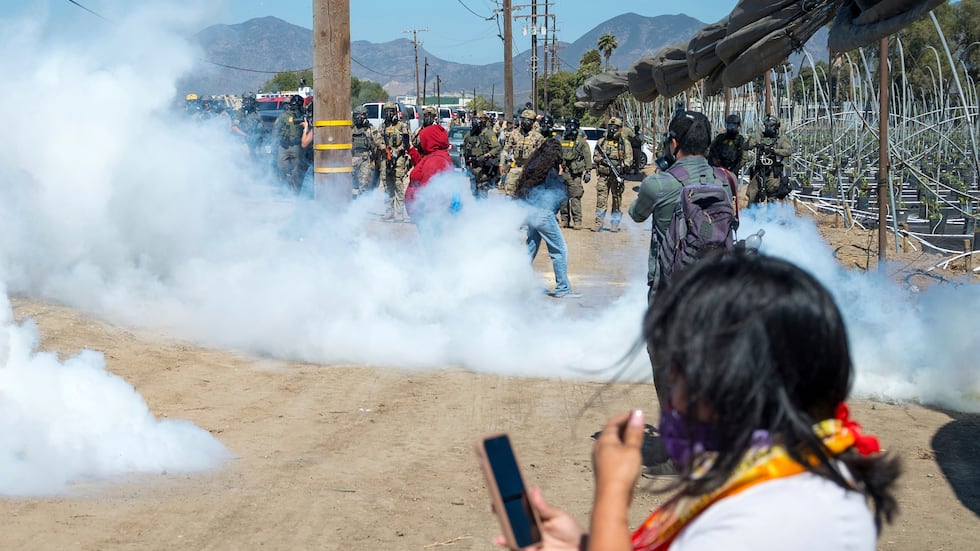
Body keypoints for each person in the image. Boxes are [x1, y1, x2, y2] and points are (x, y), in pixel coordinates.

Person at [492, 251, 901, 551]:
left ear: (736, 381)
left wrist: (612, 496)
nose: (672, 386)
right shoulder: (785, 476)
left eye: (682, 367)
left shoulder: (782, 514)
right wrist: (584, 544)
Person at [514, 138, 576, 299]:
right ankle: (563, 288)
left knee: (530, 247)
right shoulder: (551, 172)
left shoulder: (533, 166)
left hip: (530, 212)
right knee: (559, 250)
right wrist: (561, 177)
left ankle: (514, 282)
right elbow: (557, 195)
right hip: (543, 214)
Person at [405, 123, 455, 229]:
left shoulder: (436, 160)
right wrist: (411, 150)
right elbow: (421, 165)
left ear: (430, 140)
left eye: (423, 139)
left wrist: (423, 210)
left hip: (429, 214)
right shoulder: (434, 156)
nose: (421, 142)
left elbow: (428, 189)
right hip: (427, 213)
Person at [592, 117, 633, 232]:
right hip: (603, 176)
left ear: (620, 129)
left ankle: (614, 224)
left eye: (615, 128)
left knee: (617, 200)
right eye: (610, 127)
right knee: (601, 200)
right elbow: (595, 156)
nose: (612, 130)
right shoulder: (601, 142)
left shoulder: (624, 143)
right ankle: (598, 223)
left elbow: (629, 159)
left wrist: (623, 166)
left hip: (617, 176)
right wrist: (598, 159)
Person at [374, 102, 412, 221]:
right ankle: (389, 210)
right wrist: (384, 148)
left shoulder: (402, 126)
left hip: (399, 159)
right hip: (386, 158)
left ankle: (399, 212)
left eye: (391, 111)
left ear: (395, 112)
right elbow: (378, 139)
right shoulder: (383, 126)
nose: (389, 114)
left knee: (398, 184)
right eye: (386, 112)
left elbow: (406, 143)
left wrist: (397, 151)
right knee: (387, 185)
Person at [745, 114, 792, 203]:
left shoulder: (781, 139)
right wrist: (755, 140)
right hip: (759, 171)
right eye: (767, 125)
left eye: (771, 125)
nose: (769, 128)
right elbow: (747, 146)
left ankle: (771, 215)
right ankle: (751, 215)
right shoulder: (760, 137)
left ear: (776, 126)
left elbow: (788, 151)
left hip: (773, 172)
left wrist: (773, 151)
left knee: (772, 195)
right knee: (752, 193)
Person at [500, 109, 545, 198]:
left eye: (529, 120)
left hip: (530, 169)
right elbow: (506, 150)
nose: (526, 122)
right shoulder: (514, 134)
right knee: (509, 191)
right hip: (516, 167)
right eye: (524, 119)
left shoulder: (538, 137)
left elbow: (541, 156)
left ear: (533, 122)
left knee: (528, 195)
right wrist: (501, 164)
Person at [558, 117, 593, 230]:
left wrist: (588, 171)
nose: (571, 128)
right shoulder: (561, 141)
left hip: (575, 174)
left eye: (573, 125)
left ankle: (577, 221)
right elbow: (556, 156)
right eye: (569, 125)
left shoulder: (582, 143)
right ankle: (564, 220)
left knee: (575, 197)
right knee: (563, 198)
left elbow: (587, 157)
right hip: (563, 172)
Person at [462, 110, 502, 199]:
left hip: (483, 166)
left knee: (482, 188)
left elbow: (497, 147)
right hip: (473, 166)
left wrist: (486, 155)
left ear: (484, 120)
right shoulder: (469, 134)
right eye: (475, 118)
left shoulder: (488, 133)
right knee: (473, 190)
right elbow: (464, 149)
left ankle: (483, 209)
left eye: (479, 118)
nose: (476, 121)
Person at [273, 94, 308, 193]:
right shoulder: (284, 116)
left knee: (296, 170)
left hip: (296, 146)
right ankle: (284, 188)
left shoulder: (303, 115)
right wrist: (273, 144)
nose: (295, 106)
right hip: (284, 146)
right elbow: (276, 130)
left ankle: (296, 191)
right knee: (281, 167)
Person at [231, 92, 263, 163]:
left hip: (255, 141)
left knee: (257, 159)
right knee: (246, 160)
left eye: (250, 100)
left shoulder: (256, 113)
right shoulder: (240, 112)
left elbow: (261, 125)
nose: (248, 102)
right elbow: (234, 127)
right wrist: (245, 135)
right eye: (247, 100)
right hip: (244, 141)